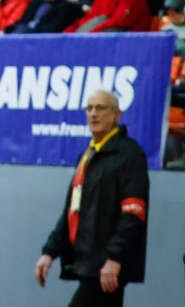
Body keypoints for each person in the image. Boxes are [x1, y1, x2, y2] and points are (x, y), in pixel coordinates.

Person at [35, 90, 149, 307]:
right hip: (87, 264)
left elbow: (133, 212)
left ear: (116, 115)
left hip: (106, 267)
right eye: (89, 108)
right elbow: (72, 210)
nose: (93, 114)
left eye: (101, 108)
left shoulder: (129, 155)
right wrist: (49, 252)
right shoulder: (87, 156)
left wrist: (114, 258)